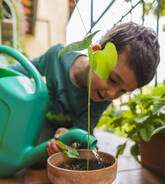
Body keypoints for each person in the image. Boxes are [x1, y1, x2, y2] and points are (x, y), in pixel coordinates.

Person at [8, 22, 160, 157]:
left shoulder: (102, 97)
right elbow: (23, 69)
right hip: (42, 122)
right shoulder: (56, 57)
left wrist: (70, 140)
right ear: (96, 51)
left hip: (70, 134)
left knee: (85, 153)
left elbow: (83, 128)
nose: (111, 94)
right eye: (113, 79)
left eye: (122, 91)